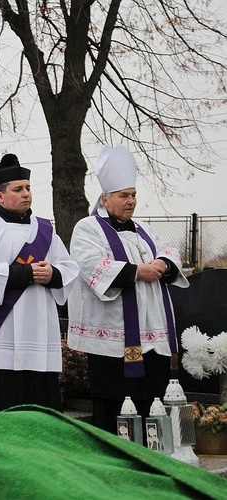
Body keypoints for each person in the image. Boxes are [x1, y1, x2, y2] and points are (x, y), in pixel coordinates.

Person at [67, 144, 188, 433]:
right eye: (124, 196)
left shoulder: (143, 228)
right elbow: (90, 264)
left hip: (153, 331)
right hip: (113, 336)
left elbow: (170, 250)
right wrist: (137, 272)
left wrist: (164, 263)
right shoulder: (88, 228)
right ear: (105, 199)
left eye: (133, 195)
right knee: (115, 402)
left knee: (152, 399)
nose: (131, 201)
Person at [0, 154, 79, 412]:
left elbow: (69, 269)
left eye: (28, 188)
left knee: (42, 420)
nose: (26, 194)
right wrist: (26, 273)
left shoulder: (45, 230)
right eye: (18, 189)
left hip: (41, 338)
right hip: (1, 339)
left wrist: (52, 275)